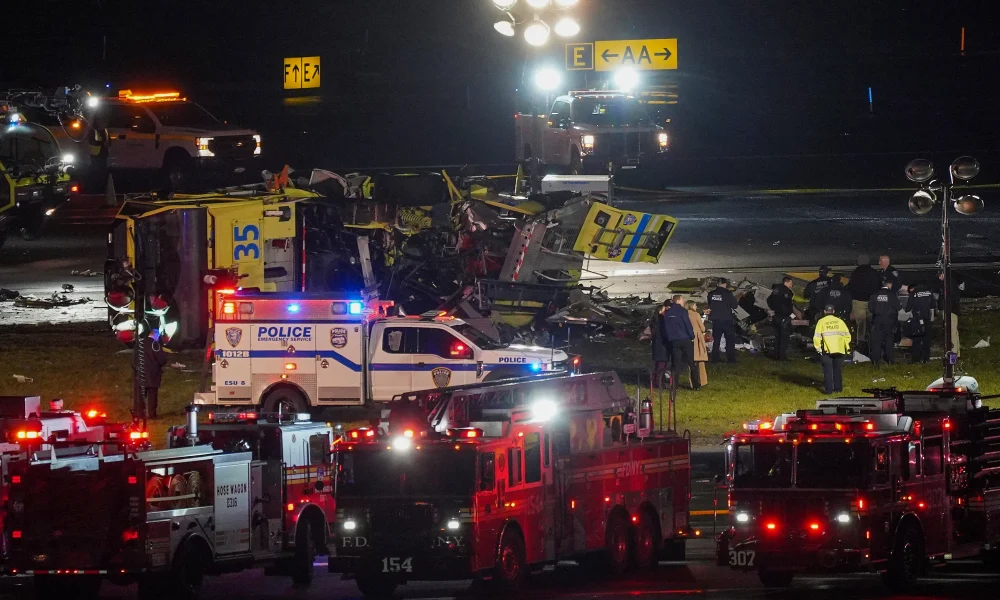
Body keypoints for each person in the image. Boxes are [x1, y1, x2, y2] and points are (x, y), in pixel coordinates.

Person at [661, 295, 700, 390]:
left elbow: (666, 328)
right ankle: (695, 385)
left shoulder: (668, 312)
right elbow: (687, 324)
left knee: (675, 364)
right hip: (685, 339)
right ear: (678, 301)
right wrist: (692, 336)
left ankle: (674, 385)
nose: (684, 301)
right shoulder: (683, 311)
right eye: (683, 299)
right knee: (692, 363)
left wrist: (669, 338)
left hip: (674, 341)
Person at [813, 305, 852, 394]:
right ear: (833, 311)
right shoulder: (840, 321)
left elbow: (817, 337)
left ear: (825, 311)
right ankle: (838, 389)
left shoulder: (821, 322)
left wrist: (818, 348)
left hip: (826, 350)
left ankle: (829, 391)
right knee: (837, 370)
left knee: (828, 370)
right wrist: (846, 347)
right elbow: (847, 336)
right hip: (839, 349)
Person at [132, 331, 168, 419]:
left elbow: (133, 359)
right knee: (152, 395)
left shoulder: (139, 344)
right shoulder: (155, 345)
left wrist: (136, 370)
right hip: (153, 374)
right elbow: (162, 359)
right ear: (155, 335)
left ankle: (139, 414)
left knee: (140, 395)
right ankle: (152, 414)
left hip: (140, 374)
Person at [847, 255, 881, 347]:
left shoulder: (855, 273)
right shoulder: (874, 273)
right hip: (871, 301)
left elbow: (851, 287)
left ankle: (861, 342)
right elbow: (879, 285)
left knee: (861, 324)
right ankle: (874, 341)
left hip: (859, 301)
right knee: (872, 322)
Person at [868, 279, 901, 365]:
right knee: (889, 340)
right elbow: (898, 307)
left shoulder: (874, 295)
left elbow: (871, 308)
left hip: (878, 320)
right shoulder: (892, 295)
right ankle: (889, 359)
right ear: (889, 285)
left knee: (877, 341)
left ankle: (875, 360)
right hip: (890, 321)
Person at [707, 278, 738, 363]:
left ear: (717, 284)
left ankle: (715, 358)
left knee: (716, 340)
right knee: (729, 340)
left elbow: (710, 304)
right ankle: (731, 359)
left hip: (716, 320)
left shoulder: (711, 294)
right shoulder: (728, 294)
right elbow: (735, 305)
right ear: (725, 284)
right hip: (726, 319)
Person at [767, 277, 795, 360]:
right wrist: (788, 313)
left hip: (776, 316)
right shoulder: (786, 292)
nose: (791, 285)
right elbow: (787, 304)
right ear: (786, 283)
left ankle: (777, 355)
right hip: (784, 318)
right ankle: (782, 357)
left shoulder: (776, 290)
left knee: (777, 337)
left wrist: (773, 309)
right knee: (784, 338)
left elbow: (769, 300)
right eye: (790, 283)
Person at [905, 282, 934, 363]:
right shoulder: (929, 292)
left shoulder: (913, 293)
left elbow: (907, 308)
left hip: (917, 319)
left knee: (917, 339)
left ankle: (916, 359)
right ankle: (926, 359)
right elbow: (933, 306)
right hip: (927, 319)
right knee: (926, 340)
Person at [939, 271, 963, 356]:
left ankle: (953, 352)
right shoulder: (950, 284)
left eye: (940, 275)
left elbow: (949, 298)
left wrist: (945, 309)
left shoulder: (948, 285)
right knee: (953, 331)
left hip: (950, 311)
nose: (939, 278)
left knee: (951, 331)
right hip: (952, 310)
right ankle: (956, 351)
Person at [686, 300, 709, 387]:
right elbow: (702, 328)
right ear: (691, 306)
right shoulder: (696, 315)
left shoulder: (684, 314)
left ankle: (692, 382)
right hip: (697, 338)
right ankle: (702, 380)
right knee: (700, 361)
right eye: (695, 306)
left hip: (688, 338)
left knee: (691, 362)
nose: (696, 307)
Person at [650, 303, 670, 389]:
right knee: (661, 365)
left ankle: (655, 381)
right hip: (662, 345)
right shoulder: (661, 320)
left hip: (657, 344)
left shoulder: (654, 321)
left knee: (658, 365)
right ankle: (658, 382)